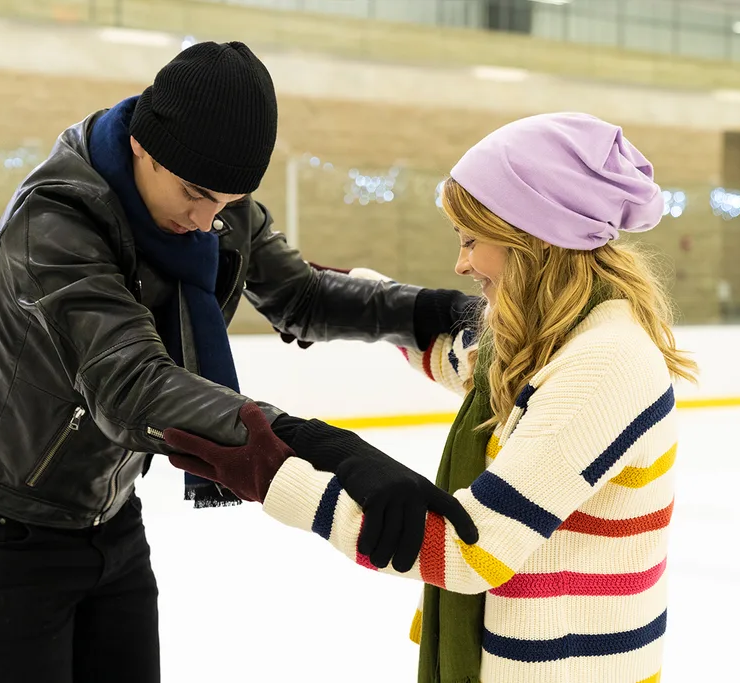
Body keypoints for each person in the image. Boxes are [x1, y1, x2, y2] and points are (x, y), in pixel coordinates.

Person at [0, 41, 480, 683]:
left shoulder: (218, 211)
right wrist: (327, 450)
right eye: (195, 193)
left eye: (227, 200)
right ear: (142, 145)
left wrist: (440, 311)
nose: (207, 219)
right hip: (3, 527)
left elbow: (301, 295)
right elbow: (133, 384)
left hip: (109, 515)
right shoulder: (54, 226)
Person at [163, 112, 700, 683]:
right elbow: (455, 351)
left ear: (534, 237)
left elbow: (472, 547)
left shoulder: (603, 364)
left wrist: (278, 477)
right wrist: (333, 297)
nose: (461, 264)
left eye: (472, 241)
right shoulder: (550, 340)